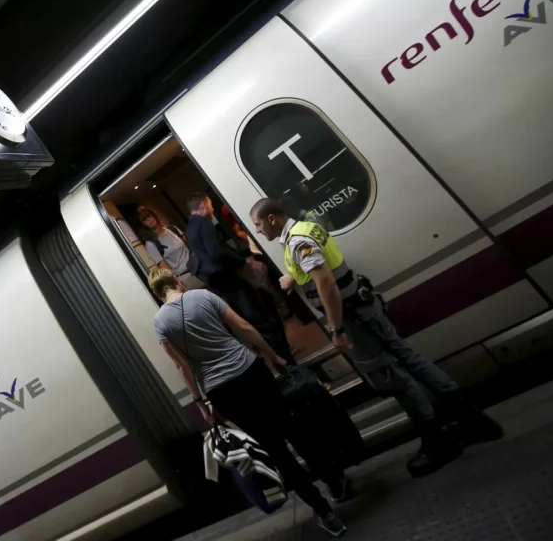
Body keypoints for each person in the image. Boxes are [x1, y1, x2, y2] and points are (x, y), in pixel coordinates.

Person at [249, 198, 504, 477]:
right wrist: (293, 276)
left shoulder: (297, 241)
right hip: (363, 307)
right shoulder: (305, 229)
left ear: (272, 219)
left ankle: (437, 439)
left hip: (354, 317)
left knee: (391, 374)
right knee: (409, 359)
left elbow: (327, 284)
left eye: (258, 224)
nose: (258, 231)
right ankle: (472, 420)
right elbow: (317, 265)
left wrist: (336, 330)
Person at [148, 267, 347, 537]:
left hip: (222, 391)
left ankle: (325, 513)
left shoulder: (160, 323)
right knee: (293, 429)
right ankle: (334, 481)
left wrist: (199, 402)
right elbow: (244, 327)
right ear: (175, 281)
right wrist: (273, 356)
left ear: (158, 293)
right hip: (251, 371)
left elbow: (182, 366)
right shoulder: (203, 296)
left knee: (276, 451)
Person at [185, 192, 295, 365]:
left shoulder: (190, 230)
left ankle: (278, 359)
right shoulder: (204, 224)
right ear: (203, 206)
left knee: (255, 323)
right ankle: (287, 362)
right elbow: (217, 254)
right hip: (233, 281)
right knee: (265, 320)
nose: (212, 210)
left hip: (221, 287)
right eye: (210, 205)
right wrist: (244, 262)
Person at [138, 208, 206, 290]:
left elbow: (189, 245)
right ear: (143, 225)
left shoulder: (171, 229)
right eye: (145, 219)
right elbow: (165, 269)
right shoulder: (151, 244)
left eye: (149, 216)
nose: (148, 219)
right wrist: (178, 285)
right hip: (185, 277)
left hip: (199, 268)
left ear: (154, 216)